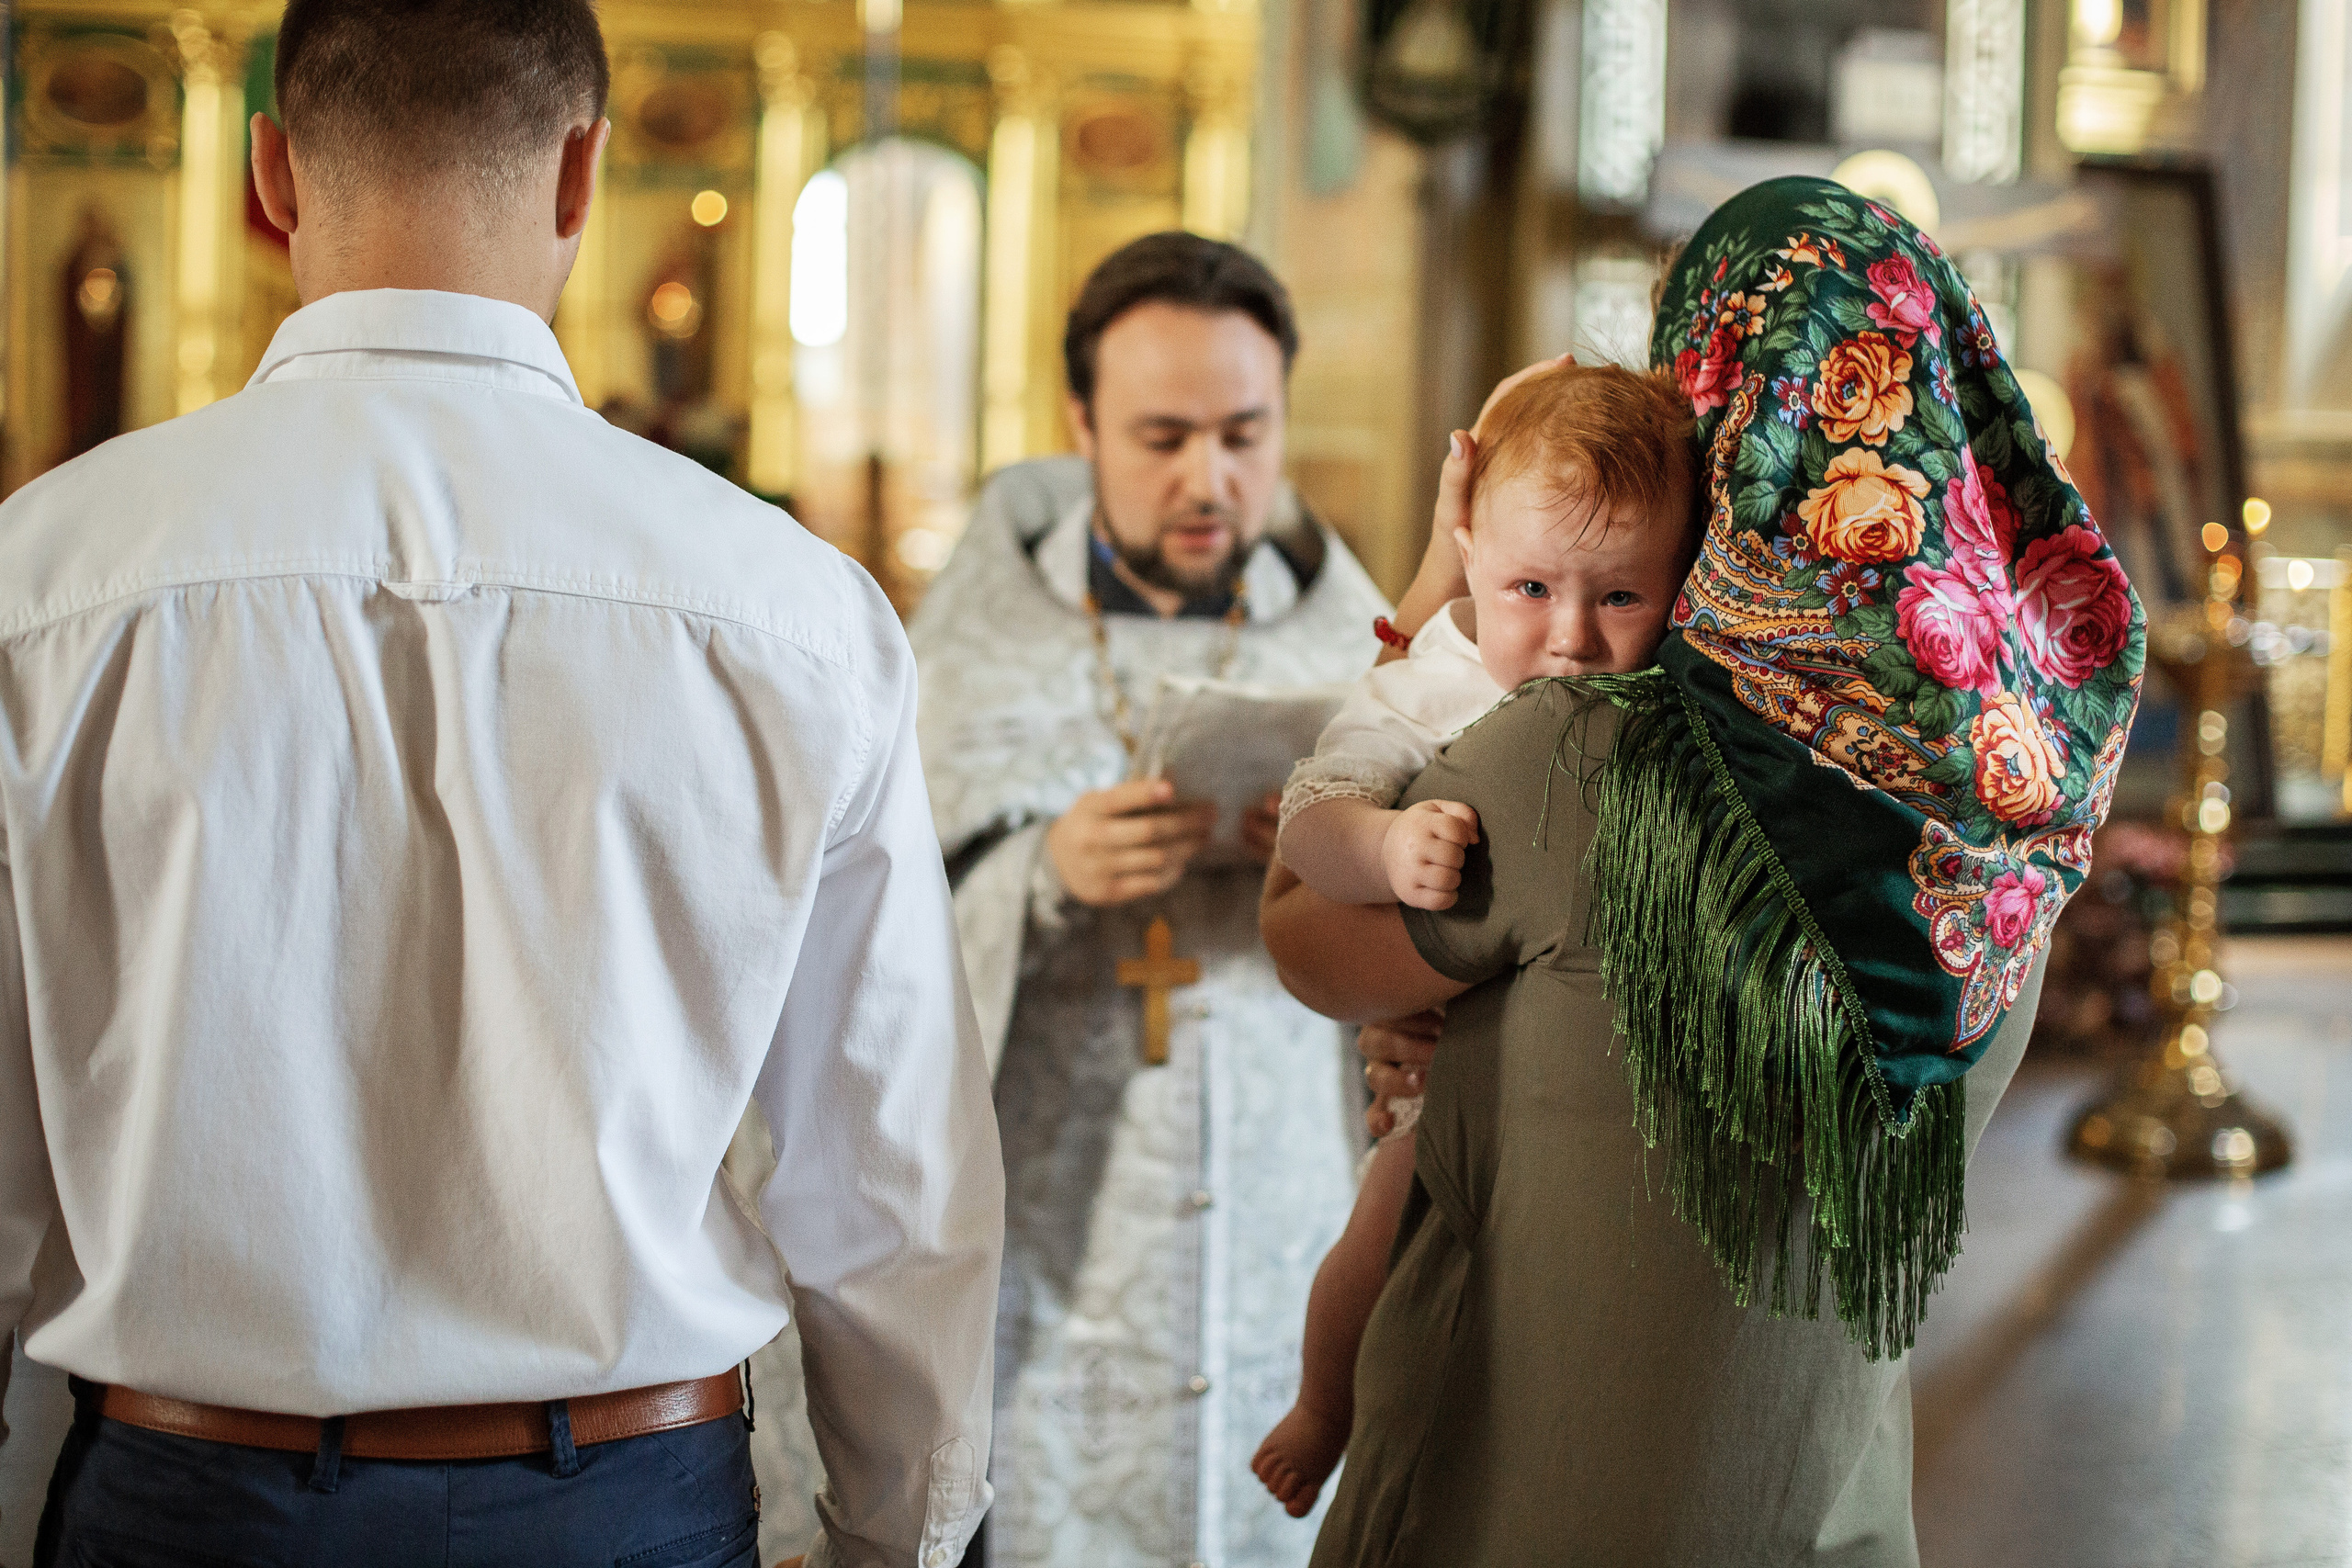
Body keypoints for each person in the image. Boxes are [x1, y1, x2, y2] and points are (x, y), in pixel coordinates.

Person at [0, 3, 1001, 1564]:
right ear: (586, 172)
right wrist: (900, 1539)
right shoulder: (793, 612)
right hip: (624, 1508)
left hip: (187, 1501)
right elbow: (891, 1180)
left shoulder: (44, 584)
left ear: (268, 171)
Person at [1262, 176, 2144, 1564]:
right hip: (1813, 1500)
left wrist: (1452, 562)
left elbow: (1306, 933)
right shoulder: (2006, 823)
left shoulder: (1585, 759)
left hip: (1532, 1496)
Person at [906, 232, 1388, 1566]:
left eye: (1244, 433)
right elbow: (850, 957)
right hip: (1054, 1240)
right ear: (1080, 425)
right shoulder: (964, 660)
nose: (1208, 477)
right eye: (1161, 435)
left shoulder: (1359, 648)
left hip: (1285, 1202)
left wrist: (1342, 854)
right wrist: (1037, 874)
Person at [1250, 361, 1699, 1517]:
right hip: (1437, 1056)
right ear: (1468, 547)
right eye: (1529, 589)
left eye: (1620, 598)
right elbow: (1311, 824)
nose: (1569, 639)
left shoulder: (1675, 698)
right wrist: (1389, 848)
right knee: (1385, 1218)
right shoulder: (1436, 674)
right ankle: (1320, 1405)